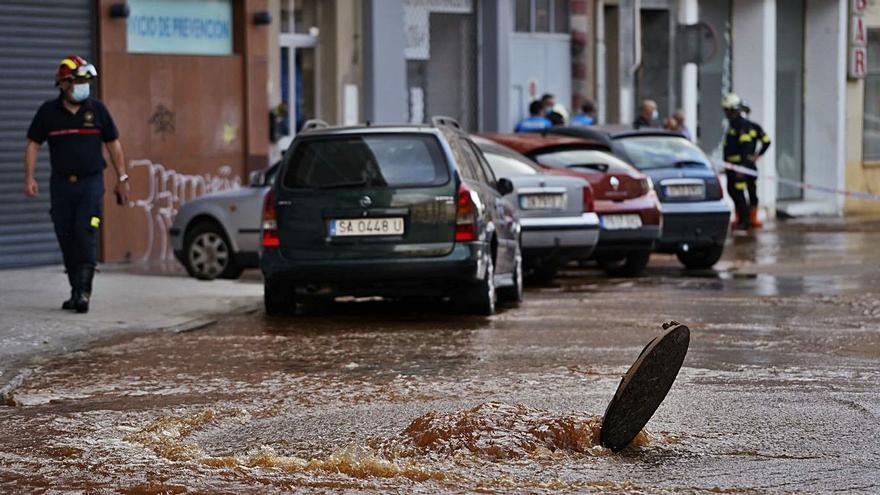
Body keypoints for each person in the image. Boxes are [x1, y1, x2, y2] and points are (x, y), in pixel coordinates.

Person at [23, 55, 129, 313]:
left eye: (86, 81)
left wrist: (122, 177)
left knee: (85, 232)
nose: (84, 85)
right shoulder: (48, 112)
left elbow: (113, 144)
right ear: (63, 84)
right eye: (79, 81)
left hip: (90, 184)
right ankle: (74, 290)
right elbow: (33, 144)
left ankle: (84, 293)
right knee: (66, 236)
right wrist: (29, 176)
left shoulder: (98, 110)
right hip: (60, 185)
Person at [721, 93, 771, 230]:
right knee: (744, 192)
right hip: (741, 166)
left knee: (739, 192)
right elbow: (766, 142)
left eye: (727, 110)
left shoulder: (741, 126)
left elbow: (746, 147)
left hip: (740, 167)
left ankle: (744, 221)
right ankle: (747, 219)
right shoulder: (739, 125)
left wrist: (742, 166)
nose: (726, 113)